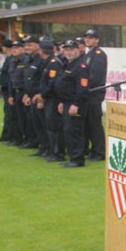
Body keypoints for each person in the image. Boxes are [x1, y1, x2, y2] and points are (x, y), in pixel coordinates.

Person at [55, 39, 90, 168]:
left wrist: (76, 104)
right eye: (67, 49)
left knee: (75, 131)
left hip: (76, 104)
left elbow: (82, 88)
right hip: (67, 102)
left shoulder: (81, 67)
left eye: (72, 49)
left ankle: (77, 159)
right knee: (68, 130)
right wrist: (62, 102)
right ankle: (72, 157)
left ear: (78, 50)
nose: (69, 52)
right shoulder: (67, 64)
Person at [38, 40, 66, 162]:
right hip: (50, 98)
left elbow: (52, 83)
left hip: (53, 99)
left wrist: (42, 95)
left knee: (54, 126)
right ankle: (52, 151)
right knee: (50, 126)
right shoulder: (49, 62)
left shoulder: (53, 63)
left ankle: (58, 153)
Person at [84, 29, 107, 161]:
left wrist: (84, 87)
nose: (88, 40)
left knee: (95, 124)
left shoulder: (98, 54)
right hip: (89, 94)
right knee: (89, 124)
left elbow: (95, 76)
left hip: (94, 93)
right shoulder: (89, 53)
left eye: (91, 38)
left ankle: (99, 151)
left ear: (97, 40)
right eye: (86, 37)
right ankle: (94, 150)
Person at [0, 39, 14, 142]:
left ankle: (9, 135)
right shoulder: (8, 59)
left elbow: (9, 75)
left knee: (10, 114)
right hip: (6, 89)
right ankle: (7, 134)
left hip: (8, 90)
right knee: (8, 113)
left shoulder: (11, 59)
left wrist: (2, 86)